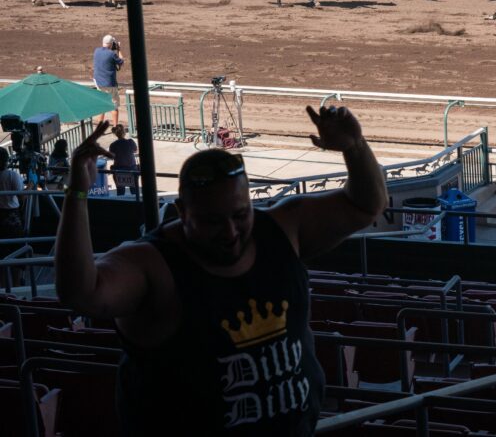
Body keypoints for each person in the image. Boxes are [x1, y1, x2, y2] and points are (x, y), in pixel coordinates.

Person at [54, 105, 388, 435]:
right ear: (181, 212)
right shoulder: (152, 264)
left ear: (251, 203)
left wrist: (354, 148)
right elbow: (80, 292)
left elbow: (366, 205)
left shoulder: (283, 228)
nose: (230, 232)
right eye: (212, 221)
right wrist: (77, 192)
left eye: (240, 215)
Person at [0, 149, 25, 278]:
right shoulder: (11, 175)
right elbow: (22, 197)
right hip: (12, 217)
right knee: (18, 250)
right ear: (6, 161)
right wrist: (32, 185)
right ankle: (16, 283)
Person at [93, 34, 124, 125]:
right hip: (109, 83)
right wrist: (119, 49)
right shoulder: (112, 54)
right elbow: (121, 62)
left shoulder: (96, 51)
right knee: (113, 106)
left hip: (98, 82)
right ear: (111, 44)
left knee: (102, 105)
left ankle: (99, 127)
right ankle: (115, 127)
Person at [108, 125, 138, 196]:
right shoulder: (130, 142)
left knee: (120, 192)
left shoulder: (113, 145)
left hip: (118, 170)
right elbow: (135, 150)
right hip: (131, 169)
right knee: (134, 191)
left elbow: (112, 156)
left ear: (115, 134)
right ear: (124, 132)